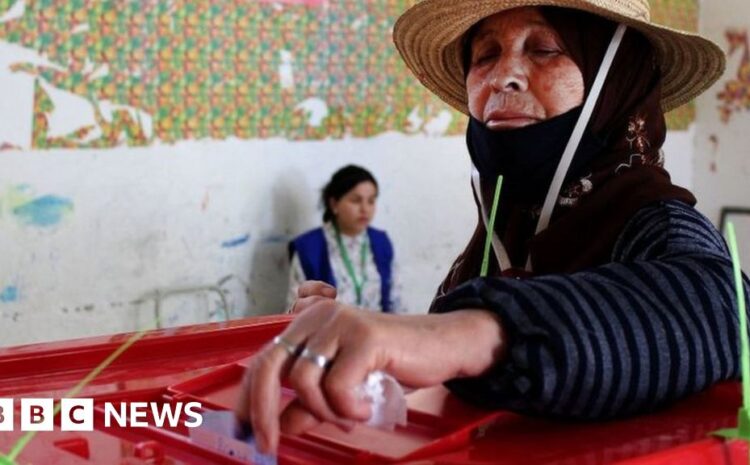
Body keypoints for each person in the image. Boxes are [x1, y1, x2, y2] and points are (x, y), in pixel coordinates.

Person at [239, 0, 750, 454]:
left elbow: (727, 308)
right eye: (484, 55)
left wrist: (463, 335)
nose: (503, 76)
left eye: (546, 49)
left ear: (613, 84)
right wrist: (361, 344)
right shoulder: (501, 232)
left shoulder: (652, 220)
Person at [287, 165, 404, 313]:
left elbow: (397, 304)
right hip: (329, 333)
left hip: (378, 333)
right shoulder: (309, 248)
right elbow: (293, 311)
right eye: (356, 201)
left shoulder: (381, 242)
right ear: (334, 204)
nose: (365, 209)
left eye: (371, 201)